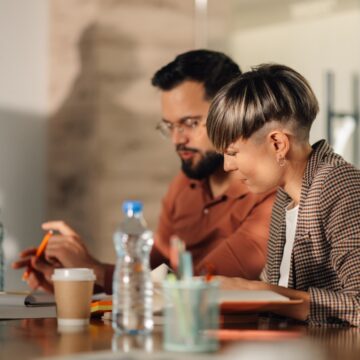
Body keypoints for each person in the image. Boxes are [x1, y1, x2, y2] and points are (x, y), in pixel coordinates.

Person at [12, 50, 275, 294]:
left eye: (190, 123)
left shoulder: (267, 191)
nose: (177, 139)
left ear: (230, 114)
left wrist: (95, 271)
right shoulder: (185, 185)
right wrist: (75, 279)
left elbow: (203, 286)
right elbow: (149, 274)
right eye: (169, 126)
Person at [206, 63, 360, 326]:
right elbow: (276, 295)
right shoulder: (284, 198)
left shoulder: (338, 185)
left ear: (278, 143)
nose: (227, 166)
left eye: (232, 153)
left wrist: (261, 293)